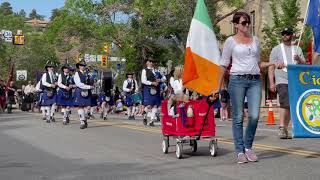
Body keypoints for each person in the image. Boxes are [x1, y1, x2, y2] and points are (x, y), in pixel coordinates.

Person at [219, 11, 275, 164]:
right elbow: (224, 64)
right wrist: (218, 87)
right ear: (236, 25)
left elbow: (258, 64)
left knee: (254, 115)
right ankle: (239, 151)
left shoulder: (255, 40)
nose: (247, 25)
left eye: (248, 22)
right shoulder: (230, 41)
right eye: (244, 23)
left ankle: (248, 147)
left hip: (255, 80)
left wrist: (270, 63)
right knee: (237, 117)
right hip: (237, 80)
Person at [268, 27, 306, 139]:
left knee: (291, 105)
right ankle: (281, 127)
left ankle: (285, 127)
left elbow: (304, 65)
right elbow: (271, 66)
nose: (285, 35)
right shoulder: (276, 49)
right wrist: (271, 82)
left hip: (295, 80)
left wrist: (299, 60)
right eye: (283, 34)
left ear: (292, 35)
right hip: (282, 79)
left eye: (287, 33)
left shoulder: (297, 49)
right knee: (284, 102)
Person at [141, 57, 166, 126]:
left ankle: (152, 121)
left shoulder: (157, 71)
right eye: (150, 61)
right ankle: (144, 115)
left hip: (157, 89)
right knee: (149, 106)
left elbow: (164, 78)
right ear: (147, 63)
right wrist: (152, 83)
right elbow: (143, 81)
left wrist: (160, 80)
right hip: (148, 89)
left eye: (153, 62)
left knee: (155, 105)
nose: (152, 63)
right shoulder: (145, 70)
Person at [73, 59, 94, 129]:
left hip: (87, 91)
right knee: (80, 106)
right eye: (81, 65)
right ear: (79, 66)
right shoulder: (76, 74)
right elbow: (79, 84)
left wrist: (93, 83)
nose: (83, 67)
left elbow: (92, 81)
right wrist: (89, 86)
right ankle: (82, 121)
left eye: (84, 65)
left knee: (88, 107)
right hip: (80, 91)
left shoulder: (88, 74)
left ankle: (84, 118)